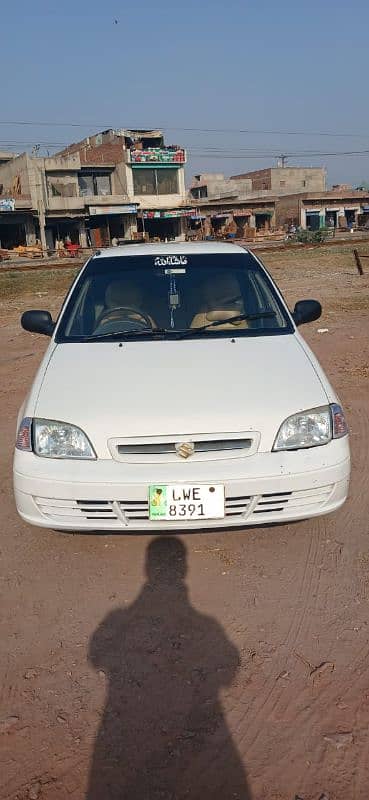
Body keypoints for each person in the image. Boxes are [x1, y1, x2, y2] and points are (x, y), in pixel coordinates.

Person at [86, 537, 251, 799]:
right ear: (184, 569)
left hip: (130, 731)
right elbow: (229, 668)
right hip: (193, 739)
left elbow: (96, 657)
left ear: (146, 569)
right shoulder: (207, 626)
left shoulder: (117, 621)